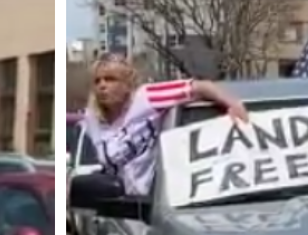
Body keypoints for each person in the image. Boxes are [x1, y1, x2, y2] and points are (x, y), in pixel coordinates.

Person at [82, 53, 249, 196]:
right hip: (118, 205)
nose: (102, 86)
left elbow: (199, 87)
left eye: (110, 79)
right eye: (97, 81)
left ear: (127, 84)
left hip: (152, 201)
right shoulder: (92, 119)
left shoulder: (147, 98)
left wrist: (232, 103)